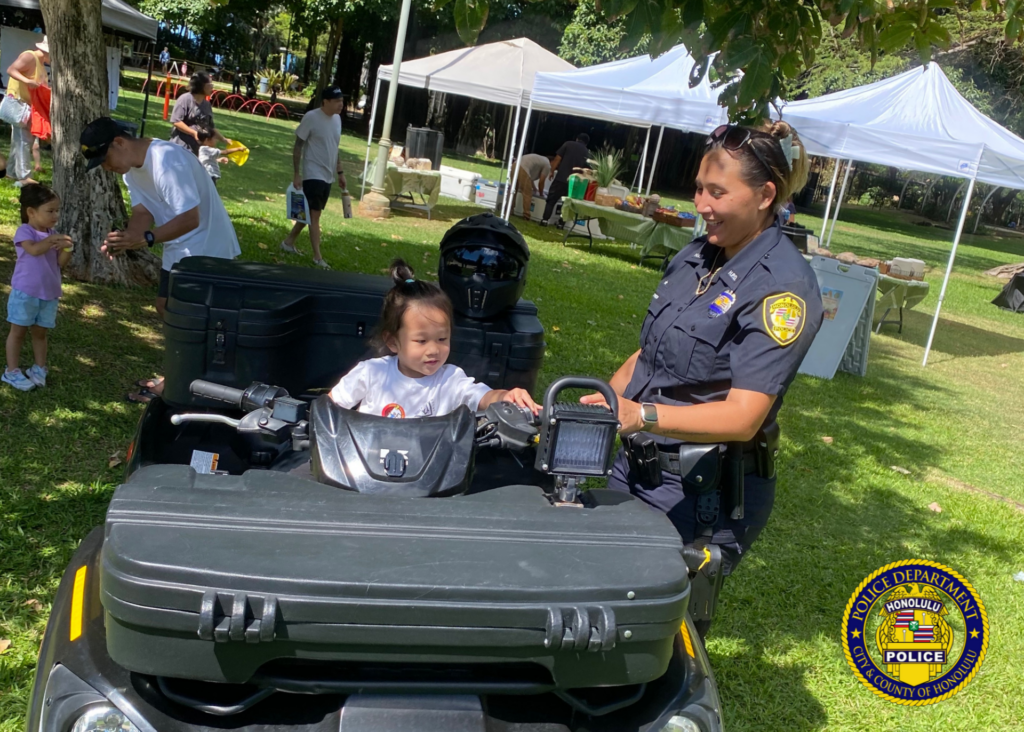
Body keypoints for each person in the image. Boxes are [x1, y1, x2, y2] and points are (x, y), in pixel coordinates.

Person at [580, 121, 823, 639]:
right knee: (599, 604)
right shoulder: (696, 256)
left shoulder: (783, 289)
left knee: (653, 635)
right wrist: (607, 401)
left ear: (765, 196)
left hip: (702, 494)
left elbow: (743, 417)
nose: (701, 205)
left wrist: (641, 414)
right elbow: (651, 353)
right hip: (637, 467)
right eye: (698, 189)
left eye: (717, 192)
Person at [79, 117, 240, 403]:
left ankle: (185, 383)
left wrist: (147, 239)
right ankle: (182, 377)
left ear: (119, 142)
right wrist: (126, 239)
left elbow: (190, 219)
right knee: (166, 308)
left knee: (187, 316)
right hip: (180, 248)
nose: (106, 167)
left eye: (105, 159)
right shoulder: (132, 172)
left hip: (207, 249)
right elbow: (143, 213)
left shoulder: (167, 161)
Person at [330, 259, 539, 418]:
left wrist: (504, 397)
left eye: (442, 339)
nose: (433, 350)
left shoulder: (450, 380)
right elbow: (329, 408)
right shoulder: (371, 373)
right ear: (393, 341)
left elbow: (481, 396)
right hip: (367, 460)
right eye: (421, 341)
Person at [3, 184, 73, 392]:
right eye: (50, 211)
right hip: (25, 292)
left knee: (40, 333)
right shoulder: (25, 232)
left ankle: (39, 368)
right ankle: (11, 371)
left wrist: (68, 248)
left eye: (57, 210)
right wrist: (52, 240)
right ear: (31, 212)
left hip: (49, 293)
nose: (55, 215)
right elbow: (33, 250)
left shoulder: (53, 234)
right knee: (18, 332)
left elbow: (59, 263)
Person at [280, 86, 347, 269]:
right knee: (315, 215)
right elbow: (298, 146)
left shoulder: (337, 119)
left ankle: (288, 242)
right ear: (325, 101)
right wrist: (297, 174)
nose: (341, 104)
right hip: (313, 174)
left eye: (342, 101)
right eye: (337, 101)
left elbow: (335, 147)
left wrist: (340, 172)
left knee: (310, 213)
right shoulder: (311, 117)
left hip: (328, 175)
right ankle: (317, 257)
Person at [4, 36, 49, 186]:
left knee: (19, 140)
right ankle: (24, 177)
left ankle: (11, 172)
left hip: (26, 106)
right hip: (19, 104)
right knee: (24, 140)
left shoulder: (41, 65)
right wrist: (27, 81)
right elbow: (11, 70)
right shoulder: (30, 56)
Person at [169, 72, 225, 156]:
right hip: (180, 149)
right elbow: (176, 121)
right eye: (210, 84)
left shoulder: (207, 105)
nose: (212, 87)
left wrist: (224, 139)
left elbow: (211, 128)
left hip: (197, 152)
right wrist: (194, 133)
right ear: (201, 85)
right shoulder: (185, 99)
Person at [514, 153, 551, 221]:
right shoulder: (548, 165)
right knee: (527, 193)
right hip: (523, 167)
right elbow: (541, 181)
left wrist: (534, 188)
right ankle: (526, 215)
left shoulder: (540, 160)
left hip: (515, 164)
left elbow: (529, 178)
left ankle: (508, 209)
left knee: (513, 190)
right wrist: (541, 194)